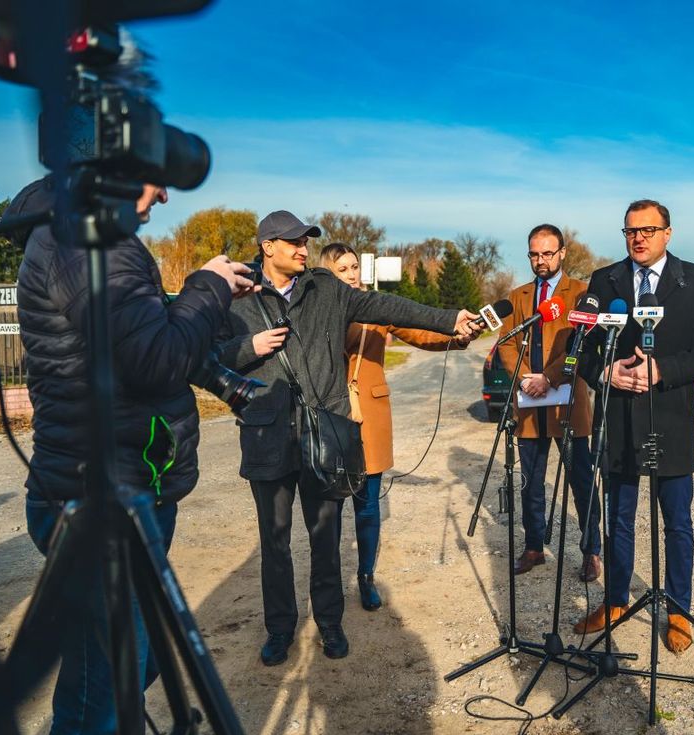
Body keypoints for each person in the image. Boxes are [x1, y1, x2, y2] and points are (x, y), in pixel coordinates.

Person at [10, 177, 256, 735]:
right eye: (157, 178)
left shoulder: (95, 239)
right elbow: (154, 358)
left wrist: (208, 298)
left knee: (130, 667)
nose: (165, 196)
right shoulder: (82, 240)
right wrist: (206, 286)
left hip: (128, 493)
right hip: (100, 504)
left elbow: (143, 339)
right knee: (97, 709)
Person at [218, 211, 482, 666]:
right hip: (267, 437)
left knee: (327, 537)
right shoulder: (235, 296)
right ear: (267, 246)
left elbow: (391, 308)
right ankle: (279, 630)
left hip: (327, 435)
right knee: (275, 543)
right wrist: (250, 349)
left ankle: (330, 622)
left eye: (306, 241)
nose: (304, 249)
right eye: (294, 242)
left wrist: (448, 318)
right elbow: (204, 358)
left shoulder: (327, 289)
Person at [574, 199, 694, 654]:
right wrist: (605, 373)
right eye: (630, 230)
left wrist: (662, 370)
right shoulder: (605, 281)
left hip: (670, 416)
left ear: (668, 233)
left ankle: (678, 609)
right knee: (618, 519)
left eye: (648, 229)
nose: (638, 237)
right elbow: (581, 347)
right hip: (618, 417)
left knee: (676, 521)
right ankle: (617, 600)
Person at [319, 242, 470, 611]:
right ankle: (330, 581)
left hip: (369, 411)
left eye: (354, 267)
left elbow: (419, 331)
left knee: (367, 505)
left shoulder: (375, 307)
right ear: (326, 274)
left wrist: (456, 336)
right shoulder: (318, 308)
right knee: (331, 507)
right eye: (342, 269)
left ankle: (365, 577)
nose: (352, 274)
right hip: (329, 413)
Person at [495, 223, 602, 581]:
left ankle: (591, 551)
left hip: (566, 401)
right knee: (531, 479)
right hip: (528, 403)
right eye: (534, 254)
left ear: (562, 254)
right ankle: (533, 546)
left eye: (546, 253)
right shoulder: (518, 296)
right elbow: (506, 345)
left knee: (580, 479)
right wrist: (526, 377)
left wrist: (550, 378)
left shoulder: (583, 293)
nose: (540, 261)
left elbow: (581, 344)